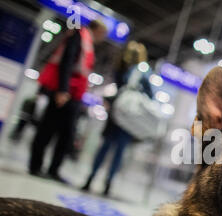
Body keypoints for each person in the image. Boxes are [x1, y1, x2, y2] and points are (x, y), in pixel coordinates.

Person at [29, 20, 107, 183]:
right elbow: (67, 62)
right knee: (47, 130)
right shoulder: (78, 36)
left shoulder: (87, 41)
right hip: (65, 93)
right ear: (97, 29)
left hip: (75, 94)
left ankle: (53, 169)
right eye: (102, 33)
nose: (103, 37)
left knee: (66, 135)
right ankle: (35, 166)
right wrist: (62, 90)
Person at [81, 41, 153, 196]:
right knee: (118, 153)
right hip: (129, 119)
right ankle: (108, 184)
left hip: (115, 115)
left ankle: (90, 179)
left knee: (104, 148)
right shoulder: (143, 73)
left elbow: (117, 90)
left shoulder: (120, 68)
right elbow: (150, 96)